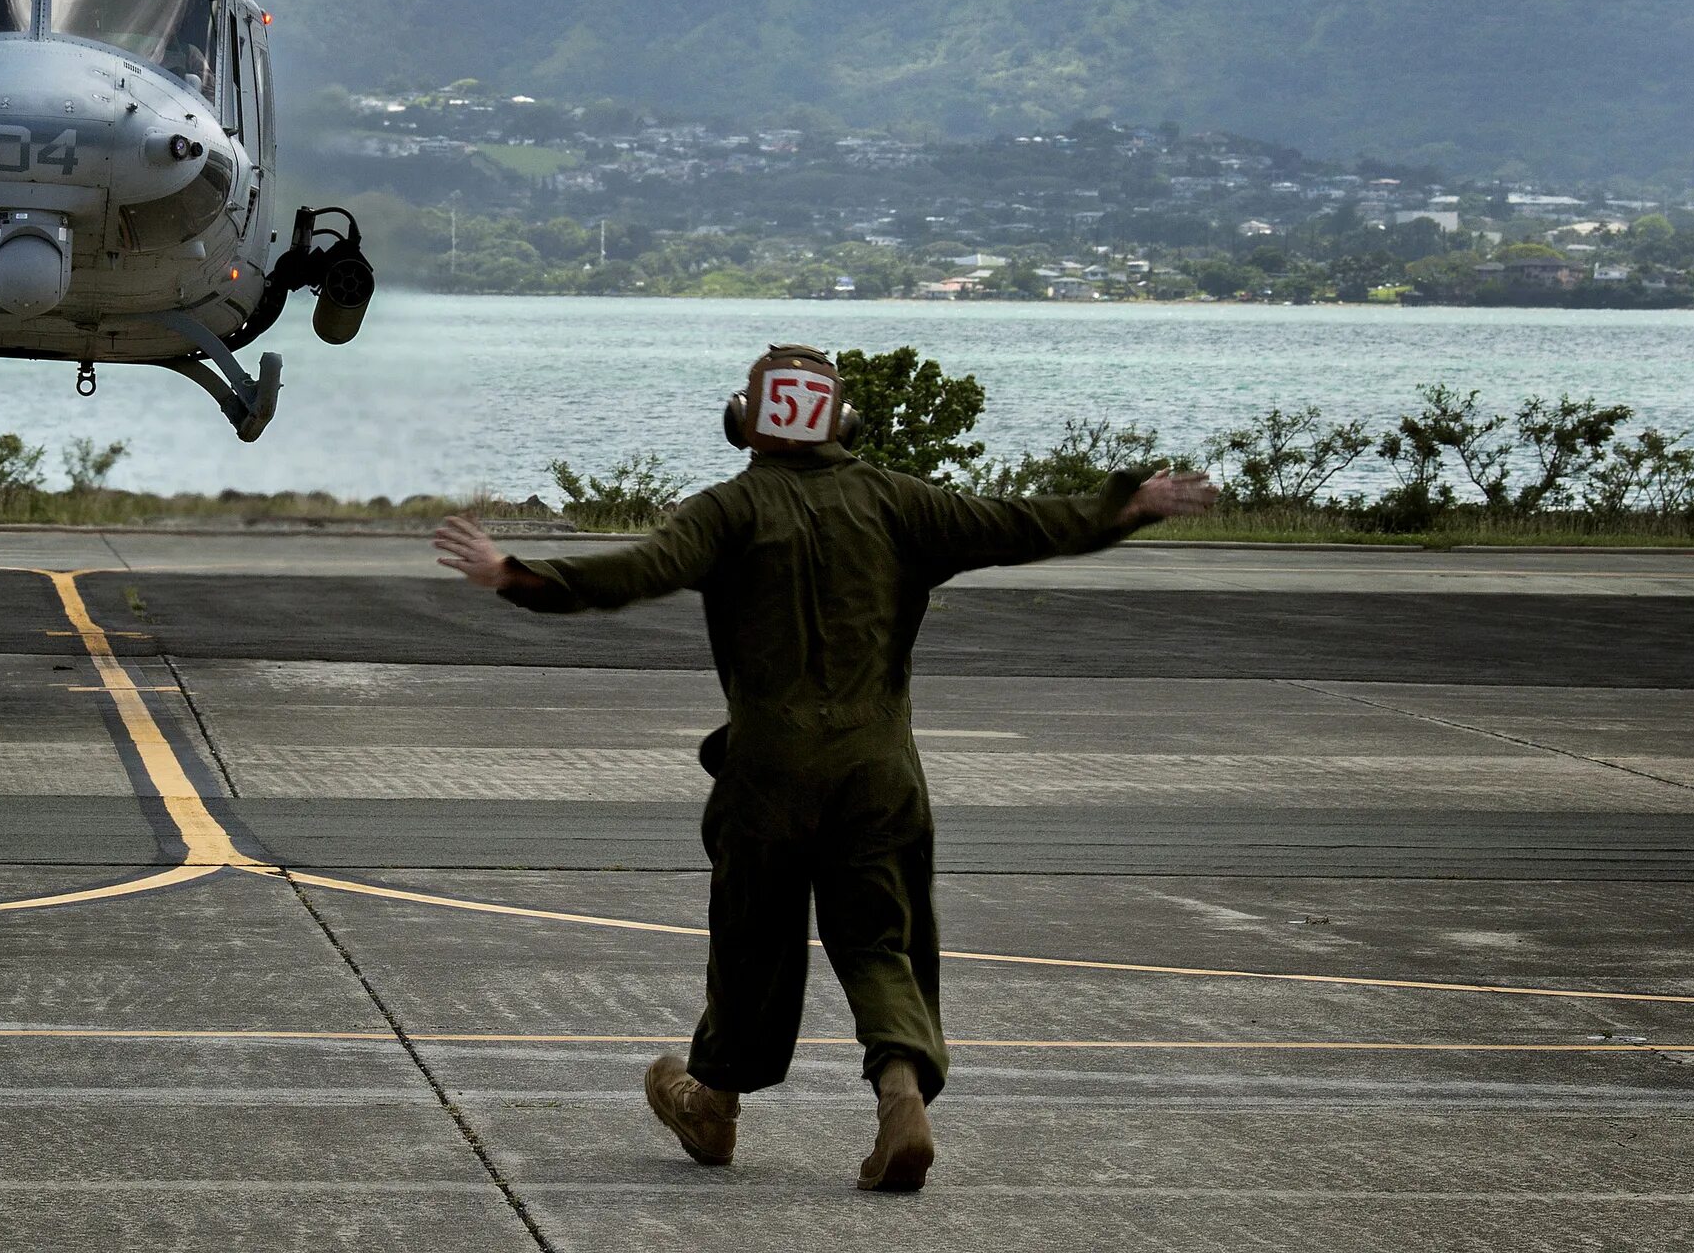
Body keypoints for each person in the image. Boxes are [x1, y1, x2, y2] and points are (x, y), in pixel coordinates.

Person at [431, 344, 1215, 1192]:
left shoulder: (726, 510)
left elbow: (638, 571)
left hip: (766, 773)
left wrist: (519, 574)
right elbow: (1022, 524)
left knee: (752, 944)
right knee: (883, 942)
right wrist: (1125, 505)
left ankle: (715, 1106)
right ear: (840, 422)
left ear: (745, 422)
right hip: (878, 773)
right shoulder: (900, 502)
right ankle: (901, 1098)